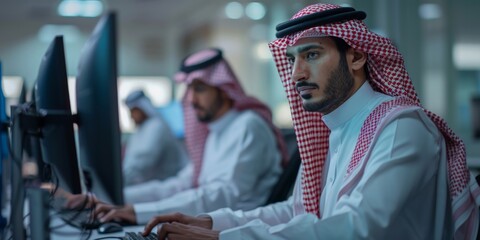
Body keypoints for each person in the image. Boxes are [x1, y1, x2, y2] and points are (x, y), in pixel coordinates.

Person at [141, 3, 480, 240]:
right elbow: (296, 212)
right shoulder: (334, 129)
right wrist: (208, 223)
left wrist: (224, 238)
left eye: (312, 55)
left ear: (357, 55)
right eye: (292, 59)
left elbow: (362, 229)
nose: (297, 74)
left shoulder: (400, 126)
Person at [94, 48, 288, 225]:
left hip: (238, 228)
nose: (192, 99)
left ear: (224, 89)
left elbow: (223, 196)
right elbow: (180, 185)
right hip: (206, 222)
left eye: (200, 89)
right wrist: (115, 198)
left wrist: (139, 212)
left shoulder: (248, 125)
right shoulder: (214, 131)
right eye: (190, 90)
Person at [122, 89, 188, 188]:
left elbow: (143, 161)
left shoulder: (156, 126)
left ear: (143, 109)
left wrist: (122, 179)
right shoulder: (141, 130)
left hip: (168, 186)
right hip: (151, 186)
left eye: (134, 111)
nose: (131, 116)